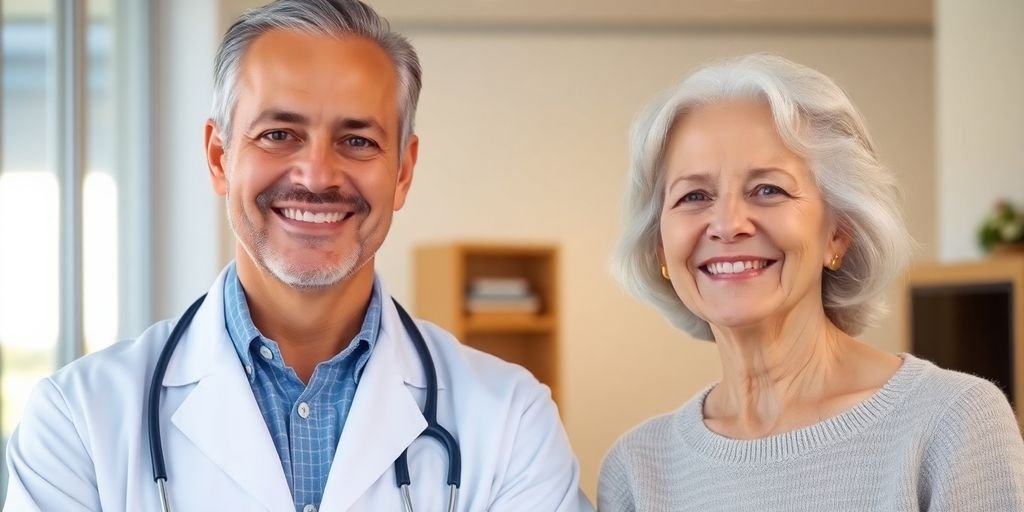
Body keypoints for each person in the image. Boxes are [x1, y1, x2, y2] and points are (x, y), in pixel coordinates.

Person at [3, 1, 592, 511]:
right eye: (279, 134)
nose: (316, 176)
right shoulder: (79, 419)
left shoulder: (511, 420)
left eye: (357, 141)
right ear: (218, 156)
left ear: (404, 171)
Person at [598, 54, 1024, 511]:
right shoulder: (636, 470)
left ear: (838, 233)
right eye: (694, 195)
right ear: (661, 248)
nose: (727, 224)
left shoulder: (953, 423)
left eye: (768, 189)